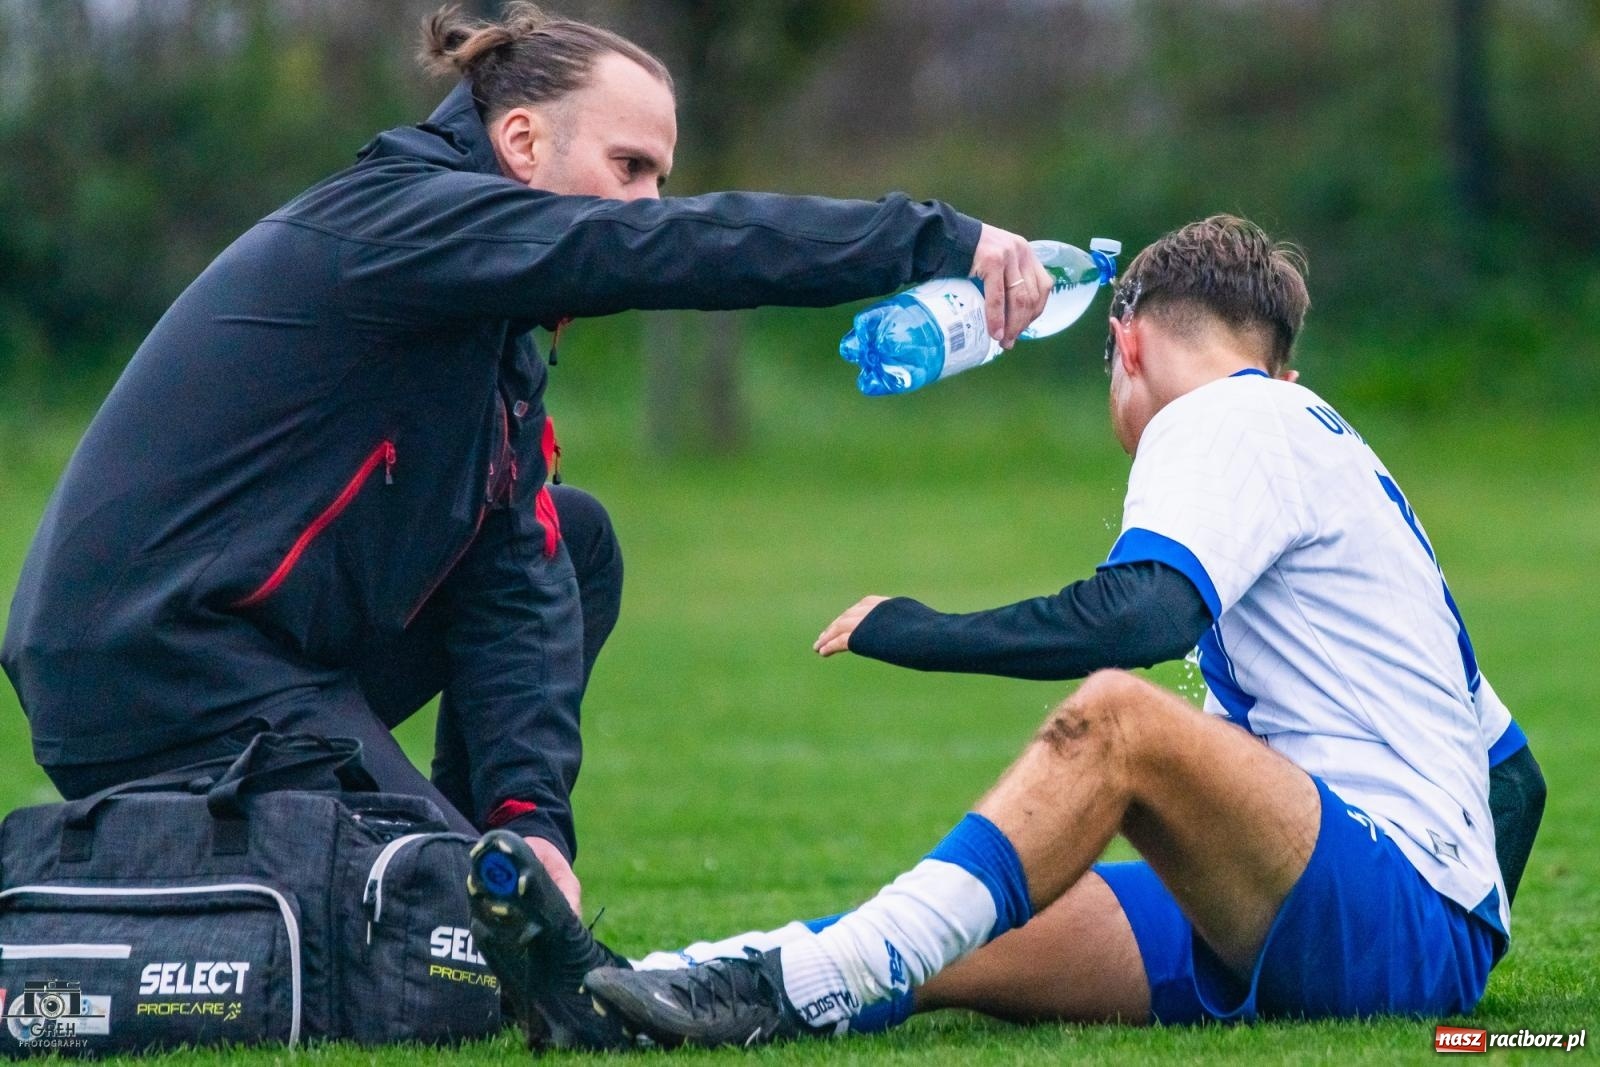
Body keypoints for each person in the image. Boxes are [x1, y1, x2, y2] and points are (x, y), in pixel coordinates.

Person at [0, 2, 1054, 918]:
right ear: (517, 139)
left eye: (661, 177)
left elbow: (515, 585)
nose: (645, 203)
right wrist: (932, 240)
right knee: (435, 916)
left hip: (270, 656)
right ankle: (432, 884)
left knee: (566, 539)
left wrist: (527, 823)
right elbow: (670, 249)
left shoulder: (492, 320)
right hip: (152, 662)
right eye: (628, 167)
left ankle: (466, 850)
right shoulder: (403, 220)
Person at [462, 215, 1545, 1050]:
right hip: (1372, 914)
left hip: (1379, 914)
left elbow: (1143, 613)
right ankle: (616, 985)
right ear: (1284, 360)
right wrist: (1456, 957)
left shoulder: (1219, 412)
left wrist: (916, 627)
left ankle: (799, 982)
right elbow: (1514, 778)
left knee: (1120, 720)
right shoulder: (1327, 449)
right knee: (941, 941)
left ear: (1120, 342)